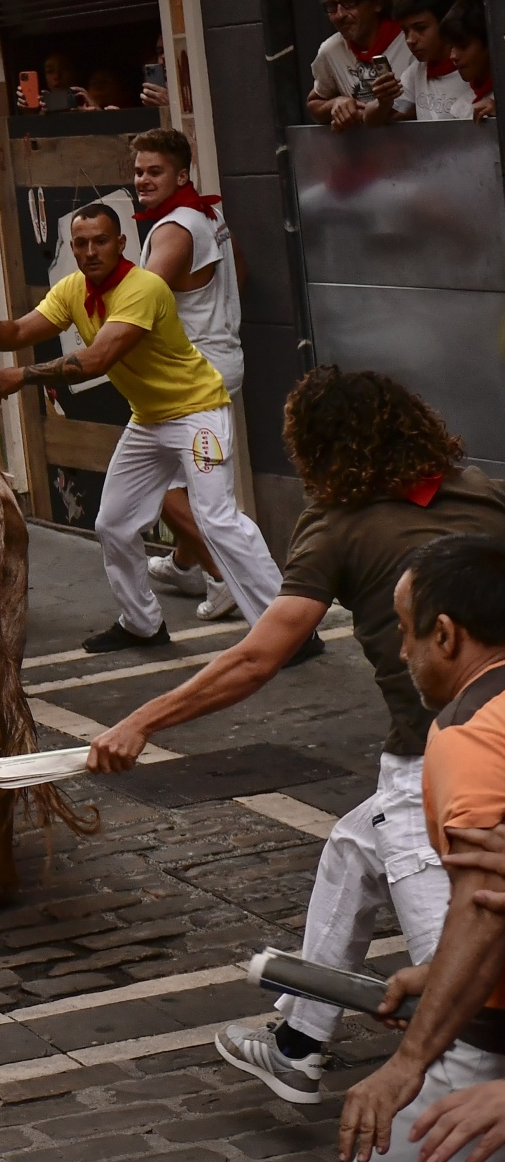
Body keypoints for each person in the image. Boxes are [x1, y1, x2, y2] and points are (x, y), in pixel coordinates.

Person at [91, 369, 504, 1103]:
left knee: (465, 1000)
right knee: (352, 847)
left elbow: (258, 655)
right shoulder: (478, 489)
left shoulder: (336, 521)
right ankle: (297, 1041)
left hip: (429, 763)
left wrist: (139, 721)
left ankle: (447, 1142)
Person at [0, 203, 282, 652]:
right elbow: (14, 333)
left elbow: (96, 360)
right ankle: (141, 623)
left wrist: (24, 377)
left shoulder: (142, 287)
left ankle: (287, 629)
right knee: (112, 523)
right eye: (81, 243)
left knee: (217, 519)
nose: (91, 251)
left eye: (101, 241)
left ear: (122, 243)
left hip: (196, 412)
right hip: (149, 419)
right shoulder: (73, 288)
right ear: (71, 248)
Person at [331, 535, 505, 1162]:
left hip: (493, 1040)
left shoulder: (466, 735)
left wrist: (409, 1062)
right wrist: (436, 975)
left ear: (445, 632)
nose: (401, 652)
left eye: (405, 633)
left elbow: (483, 906)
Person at [132, 128, 247, 621]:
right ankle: (183, 564)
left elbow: (141, 303)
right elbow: (238, 269)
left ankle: (225, 579)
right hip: (219, 359)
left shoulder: (176, 229)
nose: (142, 180)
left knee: (163, 489)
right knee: (197, 480)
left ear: (181, 174)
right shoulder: (209, 214)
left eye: (154, 171)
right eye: (138, 171)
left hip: (190, 374)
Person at [308, 0, 412, 130]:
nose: (339, 14)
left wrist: (359, 116)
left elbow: (423, 106)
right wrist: (336, 104)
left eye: (349, 1)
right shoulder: (330, 50)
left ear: (377, 2)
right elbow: (314, 103)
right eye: (332, 6)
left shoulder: (410, 41)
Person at [394, 0, 475, 122]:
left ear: (445, 24)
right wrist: (383, 102)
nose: (410, 40)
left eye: (420, 28)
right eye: (405, 31)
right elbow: (380, 117)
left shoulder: (471, 71)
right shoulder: (417, 71)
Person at [443, 0, 496, 122]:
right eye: (451, 46)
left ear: (489, 43)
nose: (453, 56)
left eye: (463, 46)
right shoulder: (460, 108)